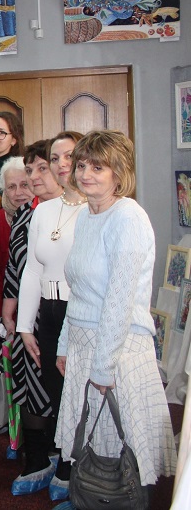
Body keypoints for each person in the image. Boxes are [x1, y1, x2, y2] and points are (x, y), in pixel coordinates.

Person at [56, 130, 177, 501]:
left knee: (117, 446)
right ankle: (95, 500)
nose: (85, 174)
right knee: (93, 442)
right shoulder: (86, 216)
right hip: (84, 343)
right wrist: (65, 344)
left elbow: (119, 301)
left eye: (98, 167)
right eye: (81, 166)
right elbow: (78, 289)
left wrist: (104, 367)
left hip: (117, 348)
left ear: (119, 173)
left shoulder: (128, 218)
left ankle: (119, 502)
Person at [12, 132, 83, 499]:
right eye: (54, 158)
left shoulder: (95, 208)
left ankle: (75, 469)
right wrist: (26, 327)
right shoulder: (43, 210)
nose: (60, 165)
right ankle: (61, 460)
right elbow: (32, 271)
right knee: (55, 392)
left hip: (80, 313)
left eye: (68, 157)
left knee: (78, 393)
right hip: (48, 313)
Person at [2, 140, 65, 489]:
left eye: (43, 167)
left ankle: (64, 459)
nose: (34, 176)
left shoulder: (78, 209)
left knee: (61, 387)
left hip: (61, 312)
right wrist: (10, 307)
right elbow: (17, 265)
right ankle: (37, 459)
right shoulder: (28, 212)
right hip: (29, 316)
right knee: (29, 384)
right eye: (30, 169)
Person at [0, 158, 32, 330]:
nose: (18, 193)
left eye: (24, 185)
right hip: (5, 309)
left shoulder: (46, 215)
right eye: (11, 187)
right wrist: (1, 316)